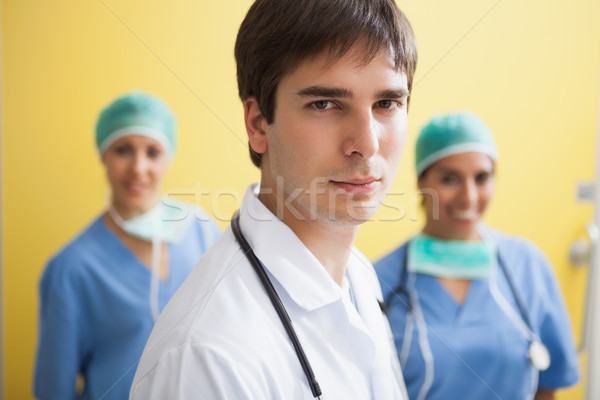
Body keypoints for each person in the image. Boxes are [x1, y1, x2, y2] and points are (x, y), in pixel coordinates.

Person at [129, 0, 418, 398]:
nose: (366, 144)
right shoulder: (206, 356)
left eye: (386, 103)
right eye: (325, 104)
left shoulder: (358, 275)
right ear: (258, 123)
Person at [375, 111, 580, 400]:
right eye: (450, 179)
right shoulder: (379, 281)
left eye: (482, 177)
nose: (469, 197)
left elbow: (547, 385)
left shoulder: (528, 265)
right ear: (421, 181)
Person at [33, 90, 221, 400]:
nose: (138, 168)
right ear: (103, 155)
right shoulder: (70, 269)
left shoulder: (202, 232)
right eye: (123, 150)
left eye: (153, 152)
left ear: (168, 157)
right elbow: (53, 390)